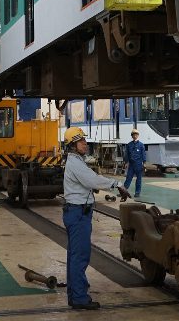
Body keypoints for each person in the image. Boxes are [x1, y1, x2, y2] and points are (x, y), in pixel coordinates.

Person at [62, 127, 130, 311]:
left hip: (76, 212)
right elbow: (93, 180)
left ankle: (74, 295)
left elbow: (90, 181)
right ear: (73, 146)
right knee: (80, 256)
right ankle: (79, 298)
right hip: (78, 214)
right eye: (81, 141)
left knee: (75, 255)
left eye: (84, 140)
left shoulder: (76, 161)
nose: (85, 143)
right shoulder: (75, 164)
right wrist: (117, 184)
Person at [122, 129, 146, 198]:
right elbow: (127, 154)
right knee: (128, 178)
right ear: (132, 136)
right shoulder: (129, 145)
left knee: (139, 179)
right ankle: (124, 192)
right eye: (133, 135)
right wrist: (126, 162)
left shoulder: (141, 145)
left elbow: (143, 154)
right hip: (131, 165)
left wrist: (144, 163)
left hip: (138, 164)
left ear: (138, 135)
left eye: (136, 134)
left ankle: (137, 193)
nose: (135, 136)